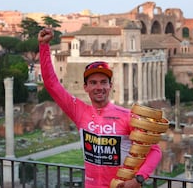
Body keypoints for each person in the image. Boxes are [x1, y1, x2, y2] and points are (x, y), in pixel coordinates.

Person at [38, 28, 162, 188]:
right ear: (85, 87)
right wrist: (43, 46)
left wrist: (139, 179)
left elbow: (155, 150)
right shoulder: (79, 112)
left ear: (110, 86)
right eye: (93, 82)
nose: (99, 87)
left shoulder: (127, 116)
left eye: (103, 82)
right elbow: (51, 84)